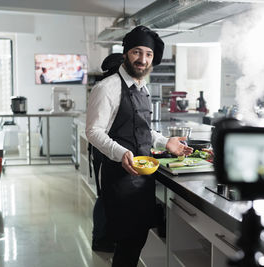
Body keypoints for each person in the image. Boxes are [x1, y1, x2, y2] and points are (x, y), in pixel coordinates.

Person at [86, 25, 193, 267]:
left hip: (143, 177)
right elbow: (93, 131)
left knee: (136, 242)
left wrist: (167, 142)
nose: (142, 59)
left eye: (148, 54)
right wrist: (121, 152)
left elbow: (143, 129)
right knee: (128, 245)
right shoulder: (107, 88)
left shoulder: (142, 87)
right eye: (137, 52)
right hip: (120, 178)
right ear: (125, 53)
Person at [90, 53, 125, 253]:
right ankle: (100, 239)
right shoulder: (106, 88)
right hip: (104, 150)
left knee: (105, 195)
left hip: (107, 150)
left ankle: (107, 236)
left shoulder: (114, 85)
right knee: (104, 195)